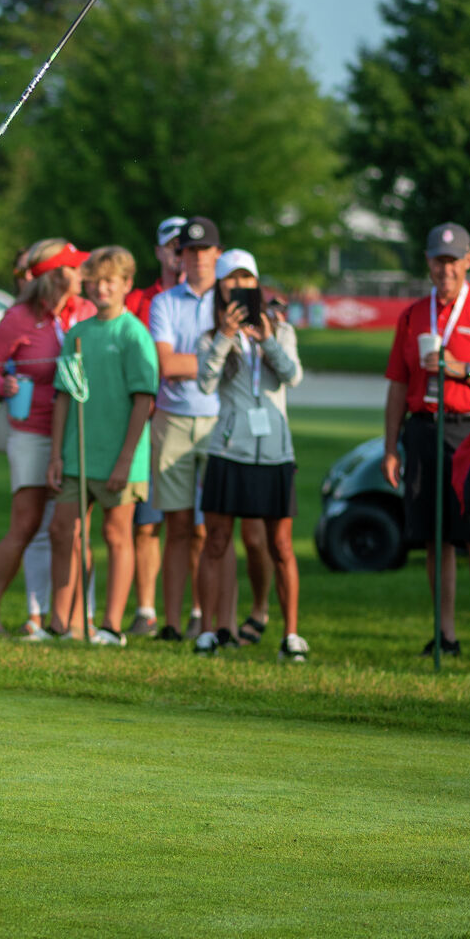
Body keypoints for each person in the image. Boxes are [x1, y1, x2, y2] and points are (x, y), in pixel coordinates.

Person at [380, 222, 470, 655]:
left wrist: (459, 370)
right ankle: (445, 634)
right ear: (428, 262)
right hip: (423, 429)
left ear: (469, 260)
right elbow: (398, 384)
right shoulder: (413, 314)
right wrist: (389, 446)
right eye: (438, 260)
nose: (445, 269)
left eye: (453, 261)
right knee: (436, 538)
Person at [0, 237, 94, 637]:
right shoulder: (19, 316)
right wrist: (4, 383)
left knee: (72, 529)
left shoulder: (87, 311)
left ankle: (72, 620)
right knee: (25, 525)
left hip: (77, 434)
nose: (83, 274)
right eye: (76, 267)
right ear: (57, 275)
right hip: (31, 432)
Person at [194, 249, 308, 659]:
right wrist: (226, 338)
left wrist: (268, 340)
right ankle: (207, 631)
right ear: (220, 288)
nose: (239, 287)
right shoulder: (210, 335)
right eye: (231, 280)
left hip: (276, 454)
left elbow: (292, 376)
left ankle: (291, 635)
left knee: (281, 546)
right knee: (217, 541)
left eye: (247, 280)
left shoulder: (281, 330)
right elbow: (205, 385)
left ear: (257, 284)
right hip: (229, 452)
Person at [45, 245, 157, 643]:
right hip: (77, 453)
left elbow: (144, 399)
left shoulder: (134, 334)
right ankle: (62, 622)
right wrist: (56, 454)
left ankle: (110, 625)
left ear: (127, 284)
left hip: (120, 457)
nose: (102, 288)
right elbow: (63, 396)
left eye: (111, 281)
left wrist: (126, 459)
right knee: (64, 532)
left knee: (116, 535)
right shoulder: (77, 332)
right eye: (96, 280)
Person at [148, 217, 230, 644]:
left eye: (204, 251)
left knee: (212, 528)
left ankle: (209, 619)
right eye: (189, 251)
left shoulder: (230, 299)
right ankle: (173, 623)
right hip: (173, 419)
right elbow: (166, 366)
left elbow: (200, 365)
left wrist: (195, 366)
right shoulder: (164, 302)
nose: (196, 258)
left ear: (217, 254)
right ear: (179, 256)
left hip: (219, 421)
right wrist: (216, 365)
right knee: (178, 526)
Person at [128, 216, 185, 636]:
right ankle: (146, 609)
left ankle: (193, 610)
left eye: (187, 246)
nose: (180, 252)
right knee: (147, 523)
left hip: (187, 420)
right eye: (173, 245)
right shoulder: (138, 300)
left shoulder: (210, 299)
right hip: (146, 424)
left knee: (195, 526)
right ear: (159, 251)